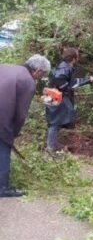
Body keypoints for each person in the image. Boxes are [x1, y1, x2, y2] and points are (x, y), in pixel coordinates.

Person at [0, 54, 51, 197]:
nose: (40, 78)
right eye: (42, 74)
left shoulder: (5, 67)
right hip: (1, 117)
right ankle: (2, 188)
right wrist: (13, 132)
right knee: (4, 147)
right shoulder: (28, 81)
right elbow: (21, 114)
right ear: (37, 70)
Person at [46, 47, 93, 152]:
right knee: (54, 122)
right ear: (73, 58)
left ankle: (54, 145)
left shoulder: (67, 67)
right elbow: (60, 79)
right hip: (56, 97)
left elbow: (72, 82)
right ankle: (50, 148)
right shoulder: (64, 67)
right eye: (77, 56)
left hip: (59, 97)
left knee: (59, 122)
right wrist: (66, 88)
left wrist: (86, 80)